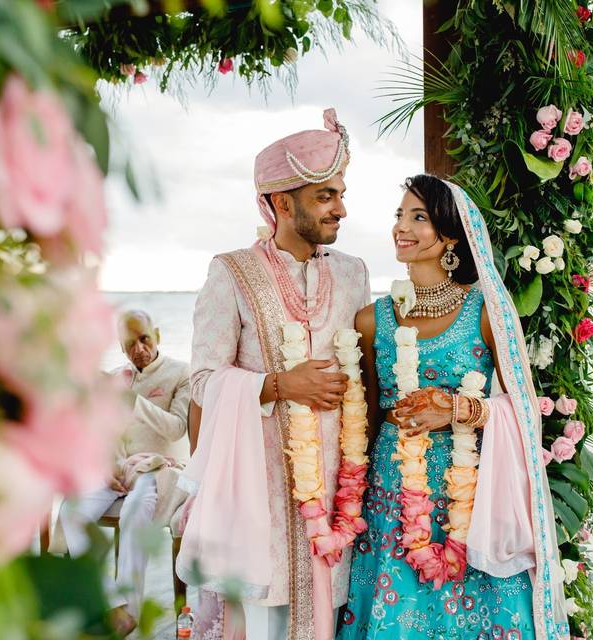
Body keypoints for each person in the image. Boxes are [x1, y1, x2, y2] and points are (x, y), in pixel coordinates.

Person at [336, 175, 570, 639]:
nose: (402, 227)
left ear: (449, 234)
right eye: (399, 215)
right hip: (391, 498)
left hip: (468, 498)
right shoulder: (370, 319)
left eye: (418, 217)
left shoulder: (486, 312)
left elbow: (522, 406)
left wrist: (461, 410)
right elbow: (365, 416)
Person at [177, 108, 371, 640]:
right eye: (325, 196)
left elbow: (368, 380)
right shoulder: (231, 272)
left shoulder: (353, 274)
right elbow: (200, 381)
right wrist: (279, 385)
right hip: (257, 500)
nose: (341, 209)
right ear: (281, 204)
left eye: (340, 193)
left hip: (337, 496)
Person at [55, 310, 190, 636]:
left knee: (134, 511)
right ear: (121, 345)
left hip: (160, 470)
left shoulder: (181, 374)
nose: (139, 348)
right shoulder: (116, 376)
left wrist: (133, 401)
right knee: (70, 513)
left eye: (144, 339)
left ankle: (130, 610)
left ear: (157, 335)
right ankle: (111, 601)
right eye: (130, 343)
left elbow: (176, 429)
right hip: (122, 472)